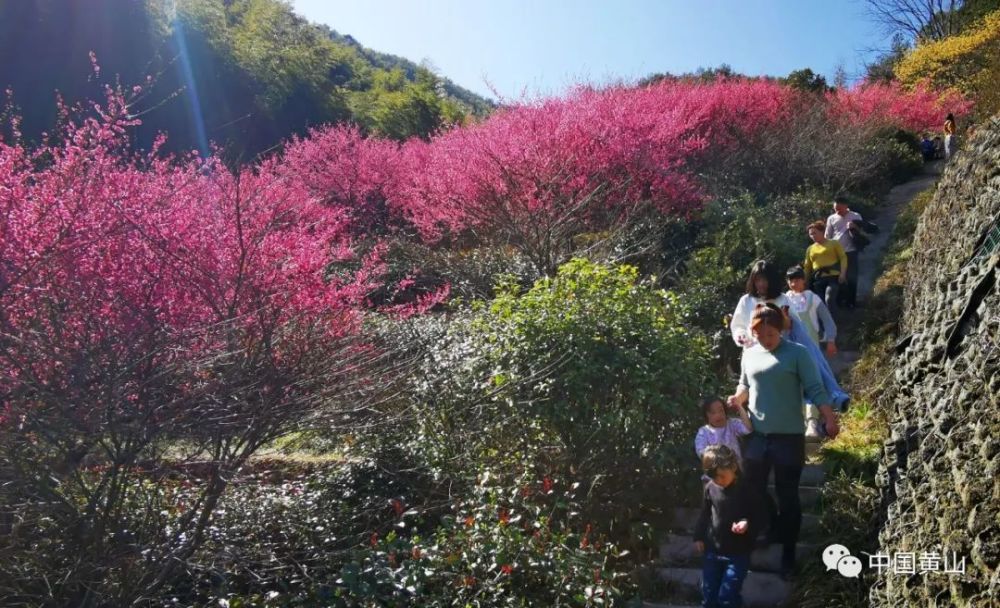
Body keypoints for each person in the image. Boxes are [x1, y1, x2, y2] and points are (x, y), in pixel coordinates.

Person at [727, 304, 839, 579]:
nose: (766, 339)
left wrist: (829, 418)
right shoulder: (750, 354)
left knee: (788, 495)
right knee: (753, 488)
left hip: (788, 437)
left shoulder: (797, 353)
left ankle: (788, 553)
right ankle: (772, 526)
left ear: (781, 329)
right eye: (761, 334)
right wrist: (737, 398)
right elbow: (745, 384)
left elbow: (815, 387)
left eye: (772, 334)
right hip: (757, 435)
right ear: (753, 331)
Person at [729, 260, 850, 412]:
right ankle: (831, 394)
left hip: (781, 348)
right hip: (755, 350)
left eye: (764, 279)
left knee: (806, 344)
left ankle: (832, 395)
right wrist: (741, 336)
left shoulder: (782, 299)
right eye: (757, 279)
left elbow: (794, 327)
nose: (761, 284)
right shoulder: (746, 300)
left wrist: (784, 321)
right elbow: (737, 325)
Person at [692, 445, 766, 608]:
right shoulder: (710, 488)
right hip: (713, 551)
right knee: (709, 594)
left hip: (738, 553)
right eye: (714, 477)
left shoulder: (747, 489)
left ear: (733, 466)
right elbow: (705, 514)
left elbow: (761, 515)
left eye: (722, 476)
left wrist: (747, 523)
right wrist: (698, 536)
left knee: (727, 595)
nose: (719, 481)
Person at [785, 265, 837, 357]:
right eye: (790, 281)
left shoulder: (812, 298)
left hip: (811, 343)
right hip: (792, 342)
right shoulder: (785, 298)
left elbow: (827, 319)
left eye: (796, 281)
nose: (793, 284)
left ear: (803, 280)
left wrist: (831, 341)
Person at [824, 199, 866, 309]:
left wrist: (854, 227)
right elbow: (827, 236)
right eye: (835, 209)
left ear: (846, 206)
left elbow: (863, 231)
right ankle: (840, 300)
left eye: (839, 208)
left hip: (851, 251)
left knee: (852, 276)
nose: (837, 211)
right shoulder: (831, 218)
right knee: (838, 277)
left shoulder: (856, 216)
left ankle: (851, 302)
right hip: (836, 253)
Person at [694, 395, 752, 463]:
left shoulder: (732, 424)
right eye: (713, 412)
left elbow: (748, 429)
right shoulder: (703, 432)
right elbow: (701, 453)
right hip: (717, 471)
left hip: (737, 468)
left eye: (721, 410)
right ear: (706, 416)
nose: (718, 415)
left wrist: (739, 406)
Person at [804, 220, 847, 311]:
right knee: (821, 303)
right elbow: (807, 266)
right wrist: (805, 282)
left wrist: (843, 273)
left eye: (815, 233)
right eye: (811, 234)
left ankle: (835, 321)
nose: (813, 236)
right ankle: (827, 322)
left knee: (829, 298)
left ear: (822, 232)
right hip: (819, 279)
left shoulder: (833, 243)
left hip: (833, 277)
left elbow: (843, 258)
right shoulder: (810, 249)